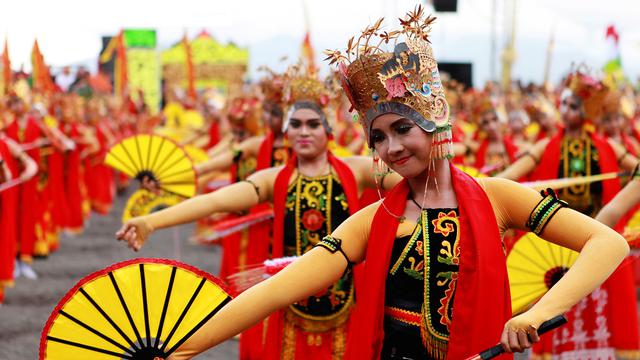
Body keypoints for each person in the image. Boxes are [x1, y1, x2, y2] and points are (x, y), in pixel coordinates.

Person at [123, 8, 628, 360]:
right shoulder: (375, 220)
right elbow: (276, 291)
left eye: (402, 129)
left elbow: (606, 243)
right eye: (378, 137)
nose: (390, 148)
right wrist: (183, 349)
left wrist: (536, 315)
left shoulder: (498, 197)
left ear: (434, 125)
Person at [117, 63, 402, 360]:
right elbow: (217, 201)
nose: (303, 132)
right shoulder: (274, 179)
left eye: (313, 124)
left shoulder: (355, 171)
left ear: (328, 129)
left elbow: (415, 183)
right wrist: (152, 221)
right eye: (296, 125)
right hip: (289, 296)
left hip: (348, 302)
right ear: (286, 130)